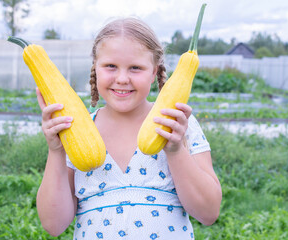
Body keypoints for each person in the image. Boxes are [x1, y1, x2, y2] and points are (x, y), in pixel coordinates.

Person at [35, 17, 222, 240]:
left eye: (135, 68)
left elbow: (209, 213)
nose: (122, 79)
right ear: (95, 67)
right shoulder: (75, 129)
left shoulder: (178, 124)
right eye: (111, 66)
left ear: (154, 72)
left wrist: (175, 150)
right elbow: (54, 225)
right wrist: (56, 151)